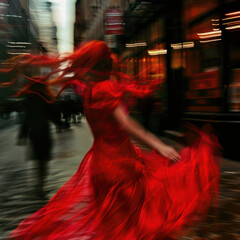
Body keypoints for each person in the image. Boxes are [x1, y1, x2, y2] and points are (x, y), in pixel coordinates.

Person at [0, 41, 220, 240]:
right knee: (137, 220)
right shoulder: (104, 88)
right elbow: (126, 124)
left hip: (100, 164)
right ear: (104, 63)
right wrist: (158, 144)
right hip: (119, 165)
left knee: (114, 224)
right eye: (109, 61)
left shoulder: (90, 91)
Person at [17, 82, 60, 196]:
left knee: (38, 159)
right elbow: (53, 114)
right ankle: (41, 182)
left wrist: (22, 134)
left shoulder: (29, 100)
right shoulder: (45, 99)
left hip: (34, 133)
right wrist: (60, 123)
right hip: (44, 132)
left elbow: (26, 118)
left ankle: (39, 183)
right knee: (43, 159)